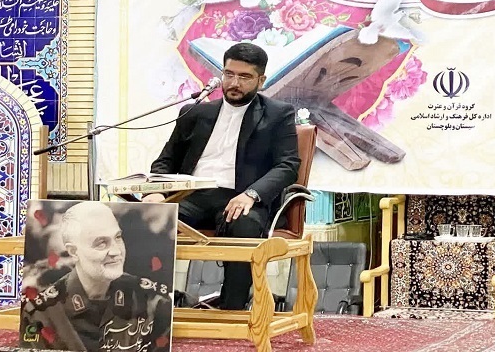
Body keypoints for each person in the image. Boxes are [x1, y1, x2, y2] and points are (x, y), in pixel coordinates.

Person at [143, 42, 301, 310]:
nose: (234, 83)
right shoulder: (195, 112)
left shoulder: (277, 114)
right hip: (191, 197)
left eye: (245, 77)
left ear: (261, 80)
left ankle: (232, 310)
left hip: (240, 199)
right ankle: (150, 310)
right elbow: (166, 161)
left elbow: (288, 165)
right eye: (229, 74)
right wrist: (156, 191)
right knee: (146, 219)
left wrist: (251, 194)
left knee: (245, 224)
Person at [20, 201, 173, 352]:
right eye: (101, 243)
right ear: (74, 251)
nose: (116, 251)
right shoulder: (42, 314)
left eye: (118, 237)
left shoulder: (153, 302)